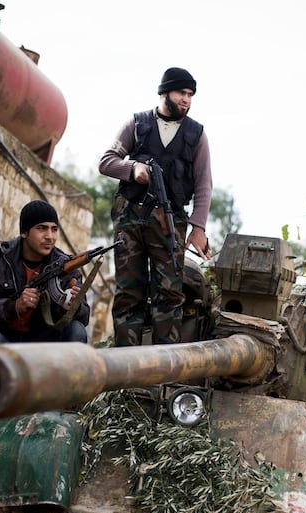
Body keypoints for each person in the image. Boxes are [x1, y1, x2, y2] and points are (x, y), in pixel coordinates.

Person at [98, 67, 213, 346]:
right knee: (128, 294)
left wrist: (198, 228)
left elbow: (204, 185)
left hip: (169, 221)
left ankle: (162, 371)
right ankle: (125, 369)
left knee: (169, 296)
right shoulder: (137, 124)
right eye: (181, 93)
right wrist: (132, 168)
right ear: (164, 92)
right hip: (130, 220)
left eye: (190, 94)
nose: (186, 99)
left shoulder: (196, 134)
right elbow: (106, 161)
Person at [0, 199, 89, 348]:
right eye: (42, 228)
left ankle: (66, 373)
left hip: (45, 342)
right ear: (24, 232)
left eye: (54, 229)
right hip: (4, 338)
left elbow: (85, 316)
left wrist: (72, 305)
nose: (50, 236)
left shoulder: (66, 266)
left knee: (77, 330)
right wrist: (13, 306)